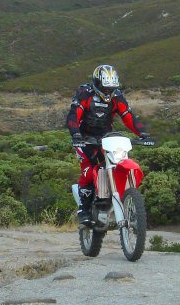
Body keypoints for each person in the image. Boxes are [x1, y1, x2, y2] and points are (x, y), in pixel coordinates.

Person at [65, 64, 154, 226]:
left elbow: (128, 117)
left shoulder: (117, 96)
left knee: (115, 163)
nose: (108, 91)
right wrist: (76, 134)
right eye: (105, 88)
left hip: (106, 137)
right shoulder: (85, 94)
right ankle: (83, 209)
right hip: (84, 137)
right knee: (88, 169)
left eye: (111, 88)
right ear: (97, 83)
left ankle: (118, 196)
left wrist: (142, 133)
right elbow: (73, 117)